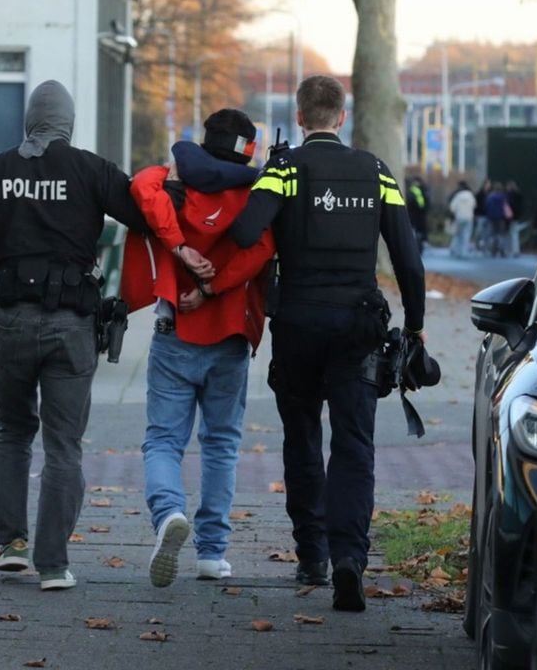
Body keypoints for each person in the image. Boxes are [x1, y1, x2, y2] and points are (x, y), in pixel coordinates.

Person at [0, 80, 177, 592]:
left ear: (30, 120)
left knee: (12, 431)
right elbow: (145, 213)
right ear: (68, 123)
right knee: (64, 445)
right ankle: (54, 564)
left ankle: (12, 546)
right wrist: (170, 179)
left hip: (11, 323)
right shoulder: (92, 170)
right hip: (72, 325)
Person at [227, 75, 426, 612]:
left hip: (296, 324)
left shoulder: (286, 170)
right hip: (358, 329)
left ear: (299, 117)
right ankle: (349, 559)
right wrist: (416, 325)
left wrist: (269, 181)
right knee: (355, 443)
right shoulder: (377, 172)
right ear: (342, 117)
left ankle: (312, 554)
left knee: (302, 438)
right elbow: (408, 260)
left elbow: (244, 233)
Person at [120, 109, 276, 588]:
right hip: (230, 334)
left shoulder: (174, 181)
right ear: (247, 151)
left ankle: (169, 512)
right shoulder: (255, 194)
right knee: (222, 443)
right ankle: (212, 552)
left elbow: (140, 187)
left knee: (163, 440)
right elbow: (261, 249)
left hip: (175, 332)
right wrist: (214, 288)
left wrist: (179, 247)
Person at [448, 181, 476, 258]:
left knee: (457, 234)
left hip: (459, 217)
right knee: (466, 235)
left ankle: (454, 250)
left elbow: (452, 207)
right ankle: (464, 252)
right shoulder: (471, 195)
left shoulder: (458, 195)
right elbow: (474, 205)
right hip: (469, 217)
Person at [484, 182, 512, 257]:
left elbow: (487, 206)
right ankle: (502, 250)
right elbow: (506, 206)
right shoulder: (503, 197)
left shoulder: (490, 196)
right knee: (501, 234)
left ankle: (493, 250)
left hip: (491, 217)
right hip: (501, 217)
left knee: (493, 234)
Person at [405, 175, 428, 253]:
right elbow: (422, 205)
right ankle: (419, 248)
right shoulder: (421, 190)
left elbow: (419, 204)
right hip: (419, 215)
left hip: (414, 215)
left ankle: (416, 248)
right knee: (418, 233)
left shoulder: (413, 190)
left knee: (414, 232)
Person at [505, 180, 527, 258]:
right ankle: (516, 250)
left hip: (510, 217)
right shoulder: (519, 195)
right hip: (517, 217)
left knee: (511, 234)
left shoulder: (509, 196)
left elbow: (509, 207)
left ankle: (511, 250)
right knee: (515, 234)